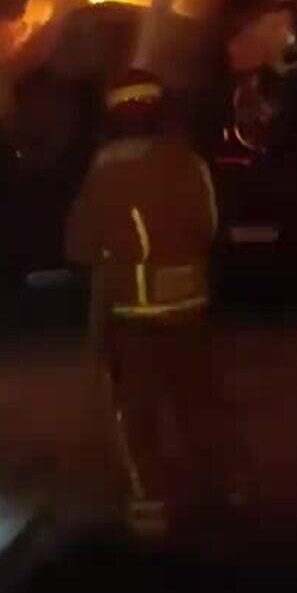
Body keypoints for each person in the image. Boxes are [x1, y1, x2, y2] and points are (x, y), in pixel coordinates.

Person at [65, 67, 229, 541]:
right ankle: (218, 488)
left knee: (137, 409)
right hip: (190, 305)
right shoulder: (191, 162)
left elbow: (78, 244)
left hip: (133, 312)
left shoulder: (105, 172)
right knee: (197, 398)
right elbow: (210, 226)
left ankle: (151, 504)